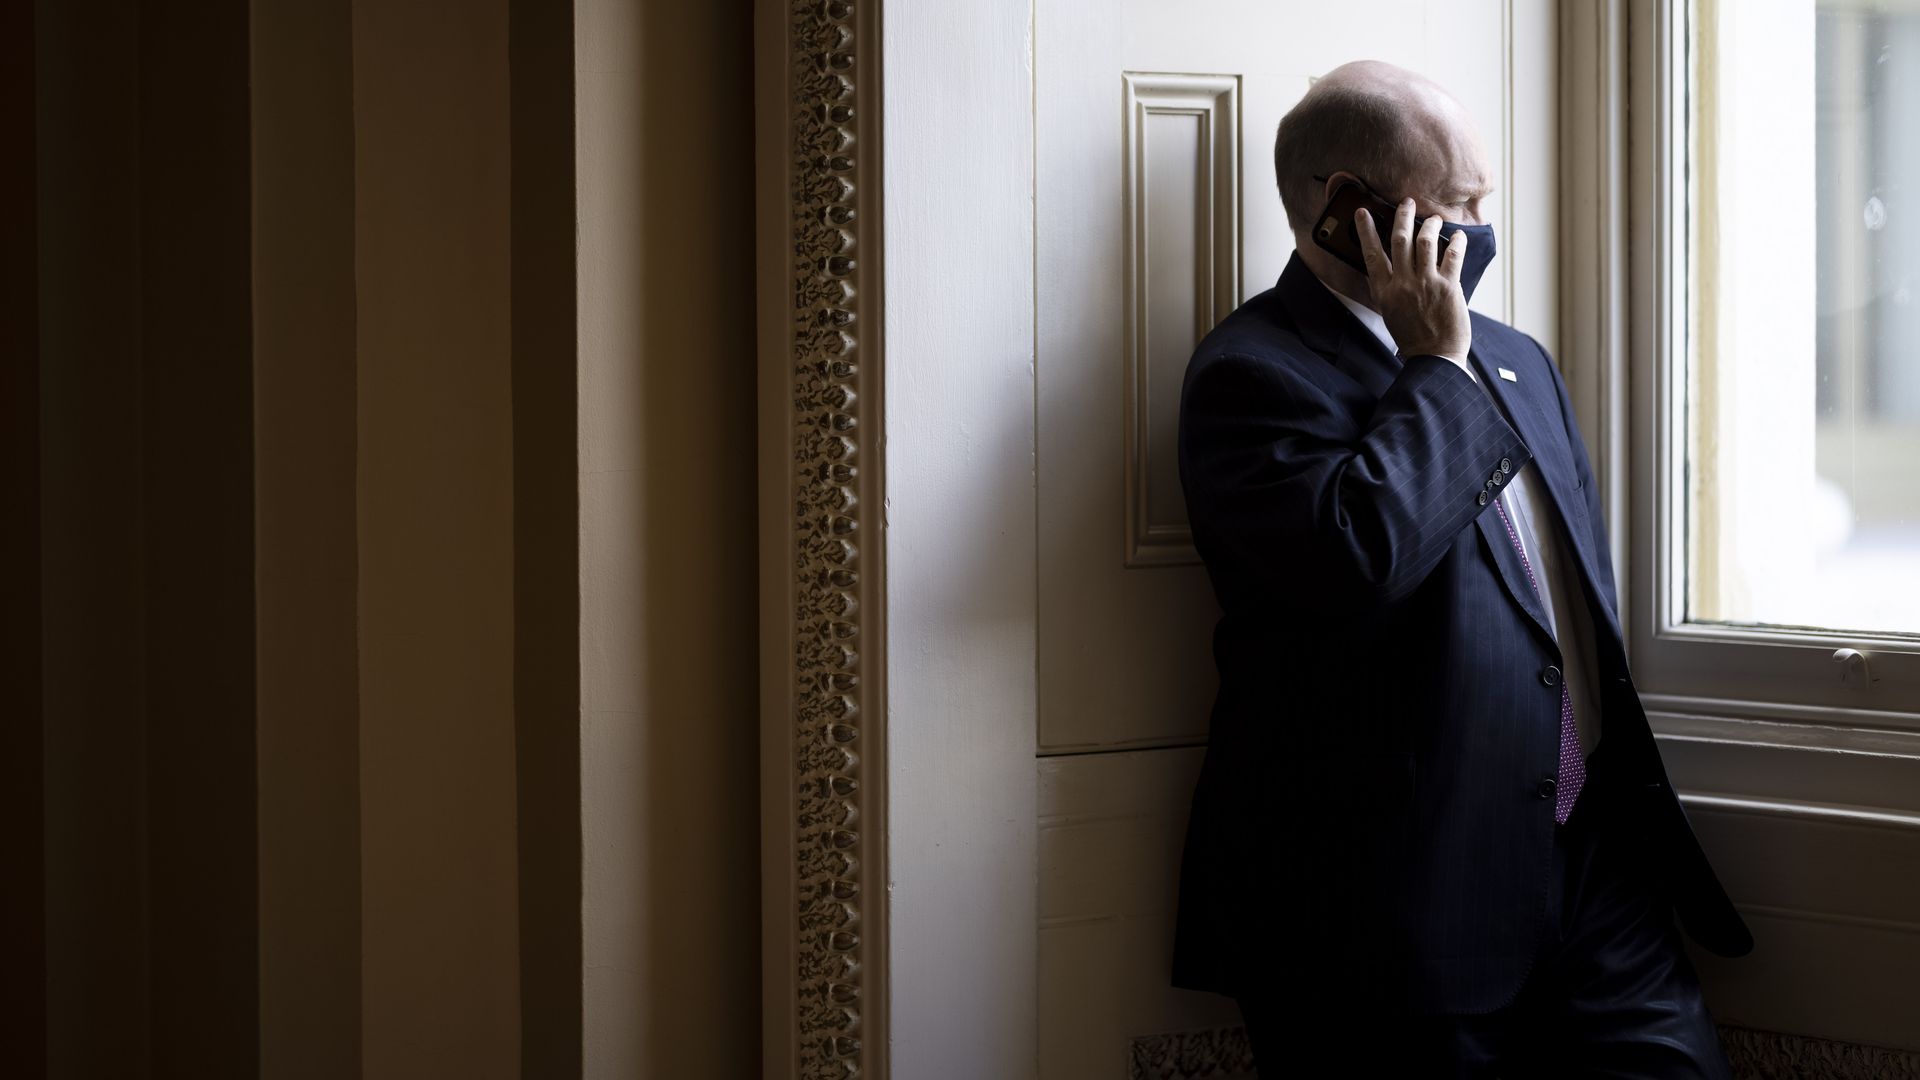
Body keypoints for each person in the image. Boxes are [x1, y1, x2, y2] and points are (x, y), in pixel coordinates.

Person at [1169, 60, 1752, 1077]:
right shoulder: (1250, 376)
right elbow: (1358, 556)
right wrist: (1433, 364)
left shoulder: (1519, 358)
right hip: (1385, 916)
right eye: (1463, 204)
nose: (1485, 227)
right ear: (1351, 212)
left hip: (1588, 871)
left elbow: (1569, 603)